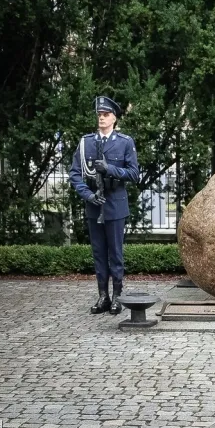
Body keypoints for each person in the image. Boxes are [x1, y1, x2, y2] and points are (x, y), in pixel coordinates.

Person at [69, 96, 140, 315]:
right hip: (94, 206)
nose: (101, 118)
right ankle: (103, 297)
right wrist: (88, 195)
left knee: (115, 254)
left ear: (114, 118)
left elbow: (134, 174)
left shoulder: (125, 142)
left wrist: (110, 169)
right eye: (99, 115)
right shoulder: (86, 142)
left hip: (115, 205)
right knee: (99, 254)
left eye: (106, 115)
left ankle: (117, 297)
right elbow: (74, 174)